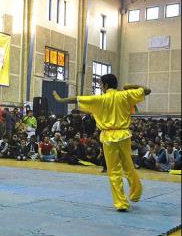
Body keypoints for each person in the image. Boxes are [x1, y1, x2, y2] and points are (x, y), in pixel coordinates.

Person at [53, 74, 151, 212]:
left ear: (105, 85)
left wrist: (61, 99)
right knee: (128, 165)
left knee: (114, 171)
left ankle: (121, 203)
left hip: (108, 137)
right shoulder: (125, 95)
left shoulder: (100, 99)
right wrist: (131, 86)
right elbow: (147, 90)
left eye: (100, 84)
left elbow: (77, 99)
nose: (100, 87)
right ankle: (136, 193)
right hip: (124, 135)